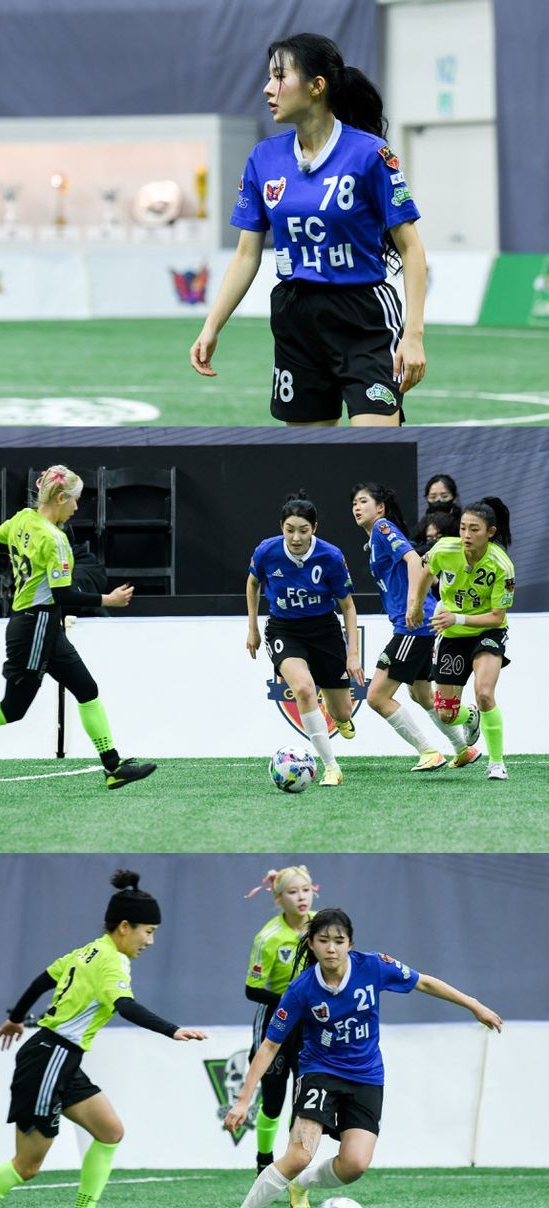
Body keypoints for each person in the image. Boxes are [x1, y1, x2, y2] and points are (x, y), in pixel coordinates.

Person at [0, 869, 206, 1208]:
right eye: (148, 931)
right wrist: (172, 1030)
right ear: (124, 927)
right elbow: (125, 1006)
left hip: (60, 1058)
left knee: (110, 1131)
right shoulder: (112, 962)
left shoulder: (88, 951)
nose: (150, 941)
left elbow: (43, 979)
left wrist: (16, 1017)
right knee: (27, 1166)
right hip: (49, 1059)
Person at [214, 907, 501, 1208]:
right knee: (299, 1155)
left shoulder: (373, 966)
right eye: (323, 941)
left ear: (350, 944)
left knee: (355, 1165)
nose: (331, 948)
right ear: (311, 943)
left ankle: (301, 1185)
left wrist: (474, 1005)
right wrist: (243, 1100)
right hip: (319, 1071)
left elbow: (423, 981)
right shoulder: (302, 988)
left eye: (339, 941)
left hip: (366, 1075)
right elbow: (269, 1045)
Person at [190, 32, 426, 426]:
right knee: (309, 454)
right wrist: (211, 326)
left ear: (317, 86)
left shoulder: (371, 154)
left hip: (363, 317)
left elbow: (412, 248)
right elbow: (246, 255)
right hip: (295, 318)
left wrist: (413, 336)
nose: (268, 88)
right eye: (269, 77)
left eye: (280, 76)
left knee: (375, 451)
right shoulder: (263, 159)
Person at [0, 465, 156, 790]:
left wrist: (19, 560)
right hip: (34, 627)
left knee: (87, 690)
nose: (77, 507)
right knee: (12, 709)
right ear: (60, 498)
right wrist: (109, 600)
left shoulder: (22, 519)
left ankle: (113, 766)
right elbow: (64, 595)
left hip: (43, 624)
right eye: (75, 500)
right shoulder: (55, 540)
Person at [351, 482, 479, 771]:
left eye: (363, 501)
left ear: (380, 508)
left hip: (414, 626)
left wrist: (414, 603)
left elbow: (413, 559)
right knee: (420, 694)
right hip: (418, 624)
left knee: (376, 697)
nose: (357, 507)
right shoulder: (373, 542)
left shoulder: (383, 527)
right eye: (354, 504)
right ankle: (463, 748)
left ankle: (429, 752)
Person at [247, 490, 364, 785]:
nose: (296, 538)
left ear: (314, 529)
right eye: (290, 530)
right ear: (281, 528)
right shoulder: (267, 551)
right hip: (284, 629)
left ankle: (339, 716)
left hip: (324, 629)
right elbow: (252, 583)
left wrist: (353, 653)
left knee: (342, 711)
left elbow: (348, 606)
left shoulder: (331, 556)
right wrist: (253, 628)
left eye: (303, 530)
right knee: (303, 688)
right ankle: (331, 767)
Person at [406, 497, 515, 781]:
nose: (466, 534)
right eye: (463, 528)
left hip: (487, 631)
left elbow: (496, 616)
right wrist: (416, 605)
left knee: (484, 693)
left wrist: (458, 618)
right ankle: (471, 716)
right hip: (452, 635)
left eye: (474, 529)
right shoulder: (444, 549)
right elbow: (425, 570)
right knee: (446, 714)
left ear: (490, 532)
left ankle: (496, 763)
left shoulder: (502, 566)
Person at [245, 866, 315, 1174]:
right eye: (292, 891)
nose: (301, 897)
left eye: (306, 890)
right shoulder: (268, 938)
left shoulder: (322, 927)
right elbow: (252, 989)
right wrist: (292, 1002)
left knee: (302, 1102)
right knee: (273, 1102)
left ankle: (291, 1164)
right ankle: (264, 1159)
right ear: (277, 899)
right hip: (275, 1023)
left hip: (310, 1028)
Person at [411, 474, 461, 553]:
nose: (438, 500)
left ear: (454, 498)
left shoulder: (461, 525)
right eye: (433, 497)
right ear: (427, 498)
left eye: (444, 496)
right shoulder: (420, 528)